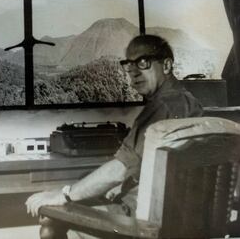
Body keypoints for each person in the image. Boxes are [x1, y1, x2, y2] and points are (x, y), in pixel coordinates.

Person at [25, 34, 203, 225]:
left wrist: (66, 194)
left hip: (143, 222)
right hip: (182, 217)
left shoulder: (161, 107)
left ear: (166, 66)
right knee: (88, 185)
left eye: (143, 62)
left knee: (51, 217)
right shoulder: (190, 103)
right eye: (129, 64)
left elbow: (120, 169)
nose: (133, 71)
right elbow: (155, 167)